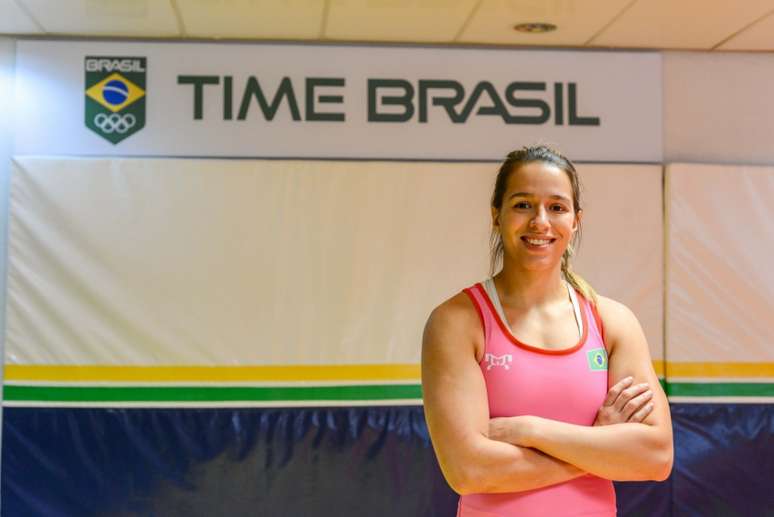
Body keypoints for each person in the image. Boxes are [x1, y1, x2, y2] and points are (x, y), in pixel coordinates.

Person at [421, 145, 673, 517]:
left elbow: (655, 456)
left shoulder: (613, 323)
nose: (541, 221)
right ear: (497, 214)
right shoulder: (457, 322)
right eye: (523, 204)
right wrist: (600, 444)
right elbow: (469, 470)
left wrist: (531, 429)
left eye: (557, 207)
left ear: (575, 220)